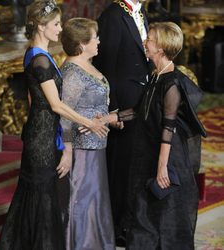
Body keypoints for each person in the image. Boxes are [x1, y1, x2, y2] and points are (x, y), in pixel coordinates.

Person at [0, 1, 108, 250]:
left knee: (40, 196)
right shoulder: (41, 61)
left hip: (42, 132)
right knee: (42, 197)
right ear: (40, 26)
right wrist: (88, 122)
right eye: (56, 24)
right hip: (42, 139)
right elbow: (57, 105)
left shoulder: (37, 54)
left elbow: (31, 98)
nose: (60, 29)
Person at [102, 22, 207, 249]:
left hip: (167, 156)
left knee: (164, 214)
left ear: (160, 48)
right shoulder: (155, 76)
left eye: (148, 39)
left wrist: (162, 167)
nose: (144, 43)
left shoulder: (171, 84)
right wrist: (111, 118)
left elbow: (168, 129)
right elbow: (140, 110)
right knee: (144, 212)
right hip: (147, 152)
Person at [93, 0, 151, 245]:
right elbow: (106, 66)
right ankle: (116, 225)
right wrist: (113, 108)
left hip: (141, 100)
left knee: (135, 164)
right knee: (120, 165)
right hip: (122, 104)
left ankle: (130, 221)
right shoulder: (113, 15)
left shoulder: (141, 11)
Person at [60, 17, 115, 250]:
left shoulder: (88, 65)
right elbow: (64, 117)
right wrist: (68, 151)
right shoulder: (72, 73)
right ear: (82, 44)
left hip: (97, 146)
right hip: (81, 151)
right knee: (81, 201)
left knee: (96, 200)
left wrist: (111, 118)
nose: (99, 41)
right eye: (95, 38)